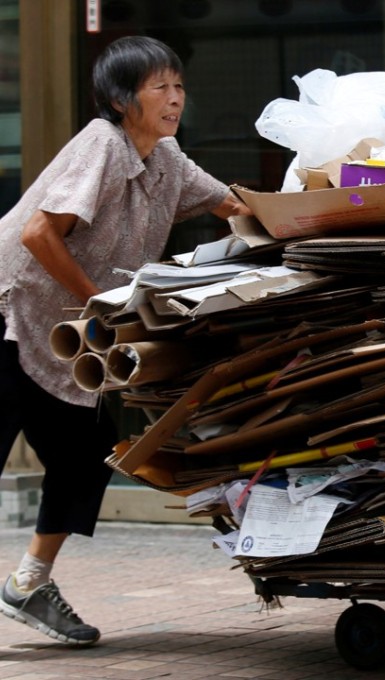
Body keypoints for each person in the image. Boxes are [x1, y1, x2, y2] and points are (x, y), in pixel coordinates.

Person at [0, 35, 251, 646]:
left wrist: (320, 209)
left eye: (179, 86)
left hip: (66, 332)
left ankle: (30, 581)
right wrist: (96, 305)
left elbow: (234, 206)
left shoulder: (168, 160)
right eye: (159, 87)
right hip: (11, 310)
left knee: (82, 457)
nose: (174, 99)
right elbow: (38, 234)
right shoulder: (102, 144)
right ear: (121, 98)